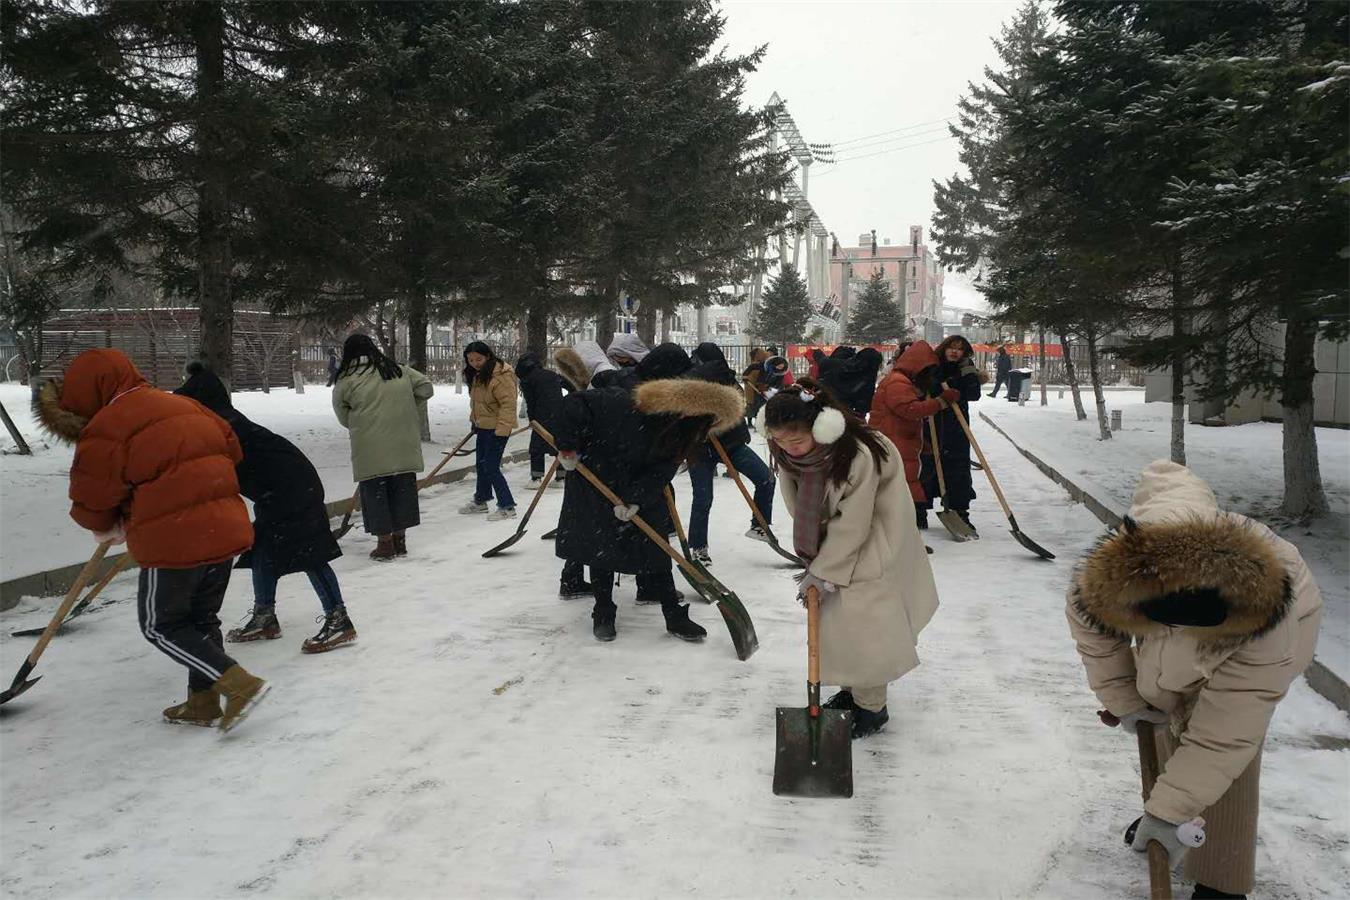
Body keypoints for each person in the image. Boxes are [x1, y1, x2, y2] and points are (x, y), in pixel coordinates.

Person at [1067, 461, 1323, 900]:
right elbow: (1099, 642)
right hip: (1181, 641)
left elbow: (1226, 734)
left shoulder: (1265, 608)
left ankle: (1221, 878)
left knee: (1223, 743)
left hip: (1267, 642)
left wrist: (1169, 814)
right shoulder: (1107, 579)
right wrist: (1126, 701)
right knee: (1167, 709)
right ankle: (1175, 808)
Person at [35, 349, 268, 731]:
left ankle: (237, 684)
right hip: (225, 527)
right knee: (200, 618)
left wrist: (110, 520)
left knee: (161, 625)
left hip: (173, 539)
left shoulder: (109, 424)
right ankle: (202, 702)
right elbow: (232, 447)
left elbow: (92, 497)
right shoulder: (186, 406)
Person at [761, 381, 939, 739]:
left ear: (820, 427)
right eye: (779, 441)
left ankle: (871, 709)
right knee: (842, 624)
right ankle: (853, 691)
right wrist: (817, 559)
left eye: (795, 441)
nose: (787, 449)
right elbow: (805, 507)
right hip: (839, 545)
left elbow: (854, 520)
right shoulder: (794, 453)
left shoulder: (856, 454)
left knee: (867, 628)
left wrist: (825, 570)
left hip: (876, 541)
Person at [555, 344, 740, 642]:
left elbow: (666, 464)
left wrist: (637, 498)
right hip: (597, 477)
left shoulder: (684, 426)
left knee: (656, 548)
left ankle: (673, 615)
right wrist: (568, 448)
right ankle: (603, 611)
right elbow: (574, 405)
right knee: (602, 547)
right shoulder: (624, 399)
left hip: (641, 481)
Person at [176, 363, 355, 654]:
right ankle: (264, 616)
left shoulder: (219, 426)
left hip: (293, 489)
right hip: (276, 491)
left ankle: (339, 620)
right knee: (263, 549)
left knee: (308, 552)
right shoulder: (219, 420)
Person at [332, 334, 434, 559]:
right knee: (402, 491)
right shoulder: (399, 370)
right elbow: (426, 388)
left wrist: (361, 422)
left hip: (370, 446)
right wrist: (406, 408)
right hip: (403, 442)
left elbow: (342, 415)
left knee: (375, 494)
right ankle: (400, 541)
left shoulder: (347, 379)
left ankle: (385, 544)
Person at [684, 342, 777, 566]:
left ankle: (759, 525)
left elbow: (738, 407)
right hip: (700, 450)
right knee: (703, 498)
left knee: (766, 478)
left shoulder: (727, 379)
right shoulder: (689, 382)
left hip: (732, 444)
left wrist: (721, 418)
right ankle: (699, 547)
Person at [869, 341, 960, 530]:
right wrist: (941, 401)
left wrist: (919, 442)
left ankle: (910, 522)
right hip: (893, 442)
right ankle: (908, 524)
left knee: (905, 482)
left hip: (898, 439)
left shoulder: (900, 381)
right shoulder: (897, 382)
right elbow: (910, 410)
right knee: (904, 483)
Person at [920, 335, 984, 534]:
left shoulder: (966, 368)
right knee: (928, 467)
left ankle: (960, 512)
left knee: (958, 469)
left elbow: (974, 394)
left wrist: (960, 380)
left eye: (960, 349)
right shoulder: (932, 365)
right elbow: (923, 390)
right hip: (933, 423)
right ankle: (919, 512)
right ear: (944, 348)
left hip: (957, 426)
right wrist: (936, 383)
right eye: (952, 347)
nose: (955, 352)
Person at [457, 340, 519, 520]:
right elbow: (478, 402)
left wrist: (502, 430)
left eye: (478, 359)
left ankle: (507, 507)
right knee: (482, 465)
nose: (474, 363)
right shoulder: (477, 374)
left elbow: (508, 405)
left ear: (488, 356)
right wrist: (474, 421)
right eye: (470, 360)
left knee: (491, 466)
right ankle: (481, 500)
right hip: (483, 427)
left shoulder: (501, 375)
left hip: (498, 428)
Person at [514, 351, 570, 488]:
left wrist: (532, 419)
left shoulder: (527, 380)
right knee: (559, 445)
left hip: (541, 417)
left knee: (536, 448)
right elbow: (571, 386)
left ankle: (536, 478)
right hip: (560, 414)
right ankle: (561, 478)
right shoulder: (552, 375)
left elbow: (530, 401)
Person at [818, 346, 884, 418]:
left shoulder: (838, 365)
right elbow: (863, 405)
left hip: (824, 409)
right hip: (845, 415)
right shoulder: (867, 376)